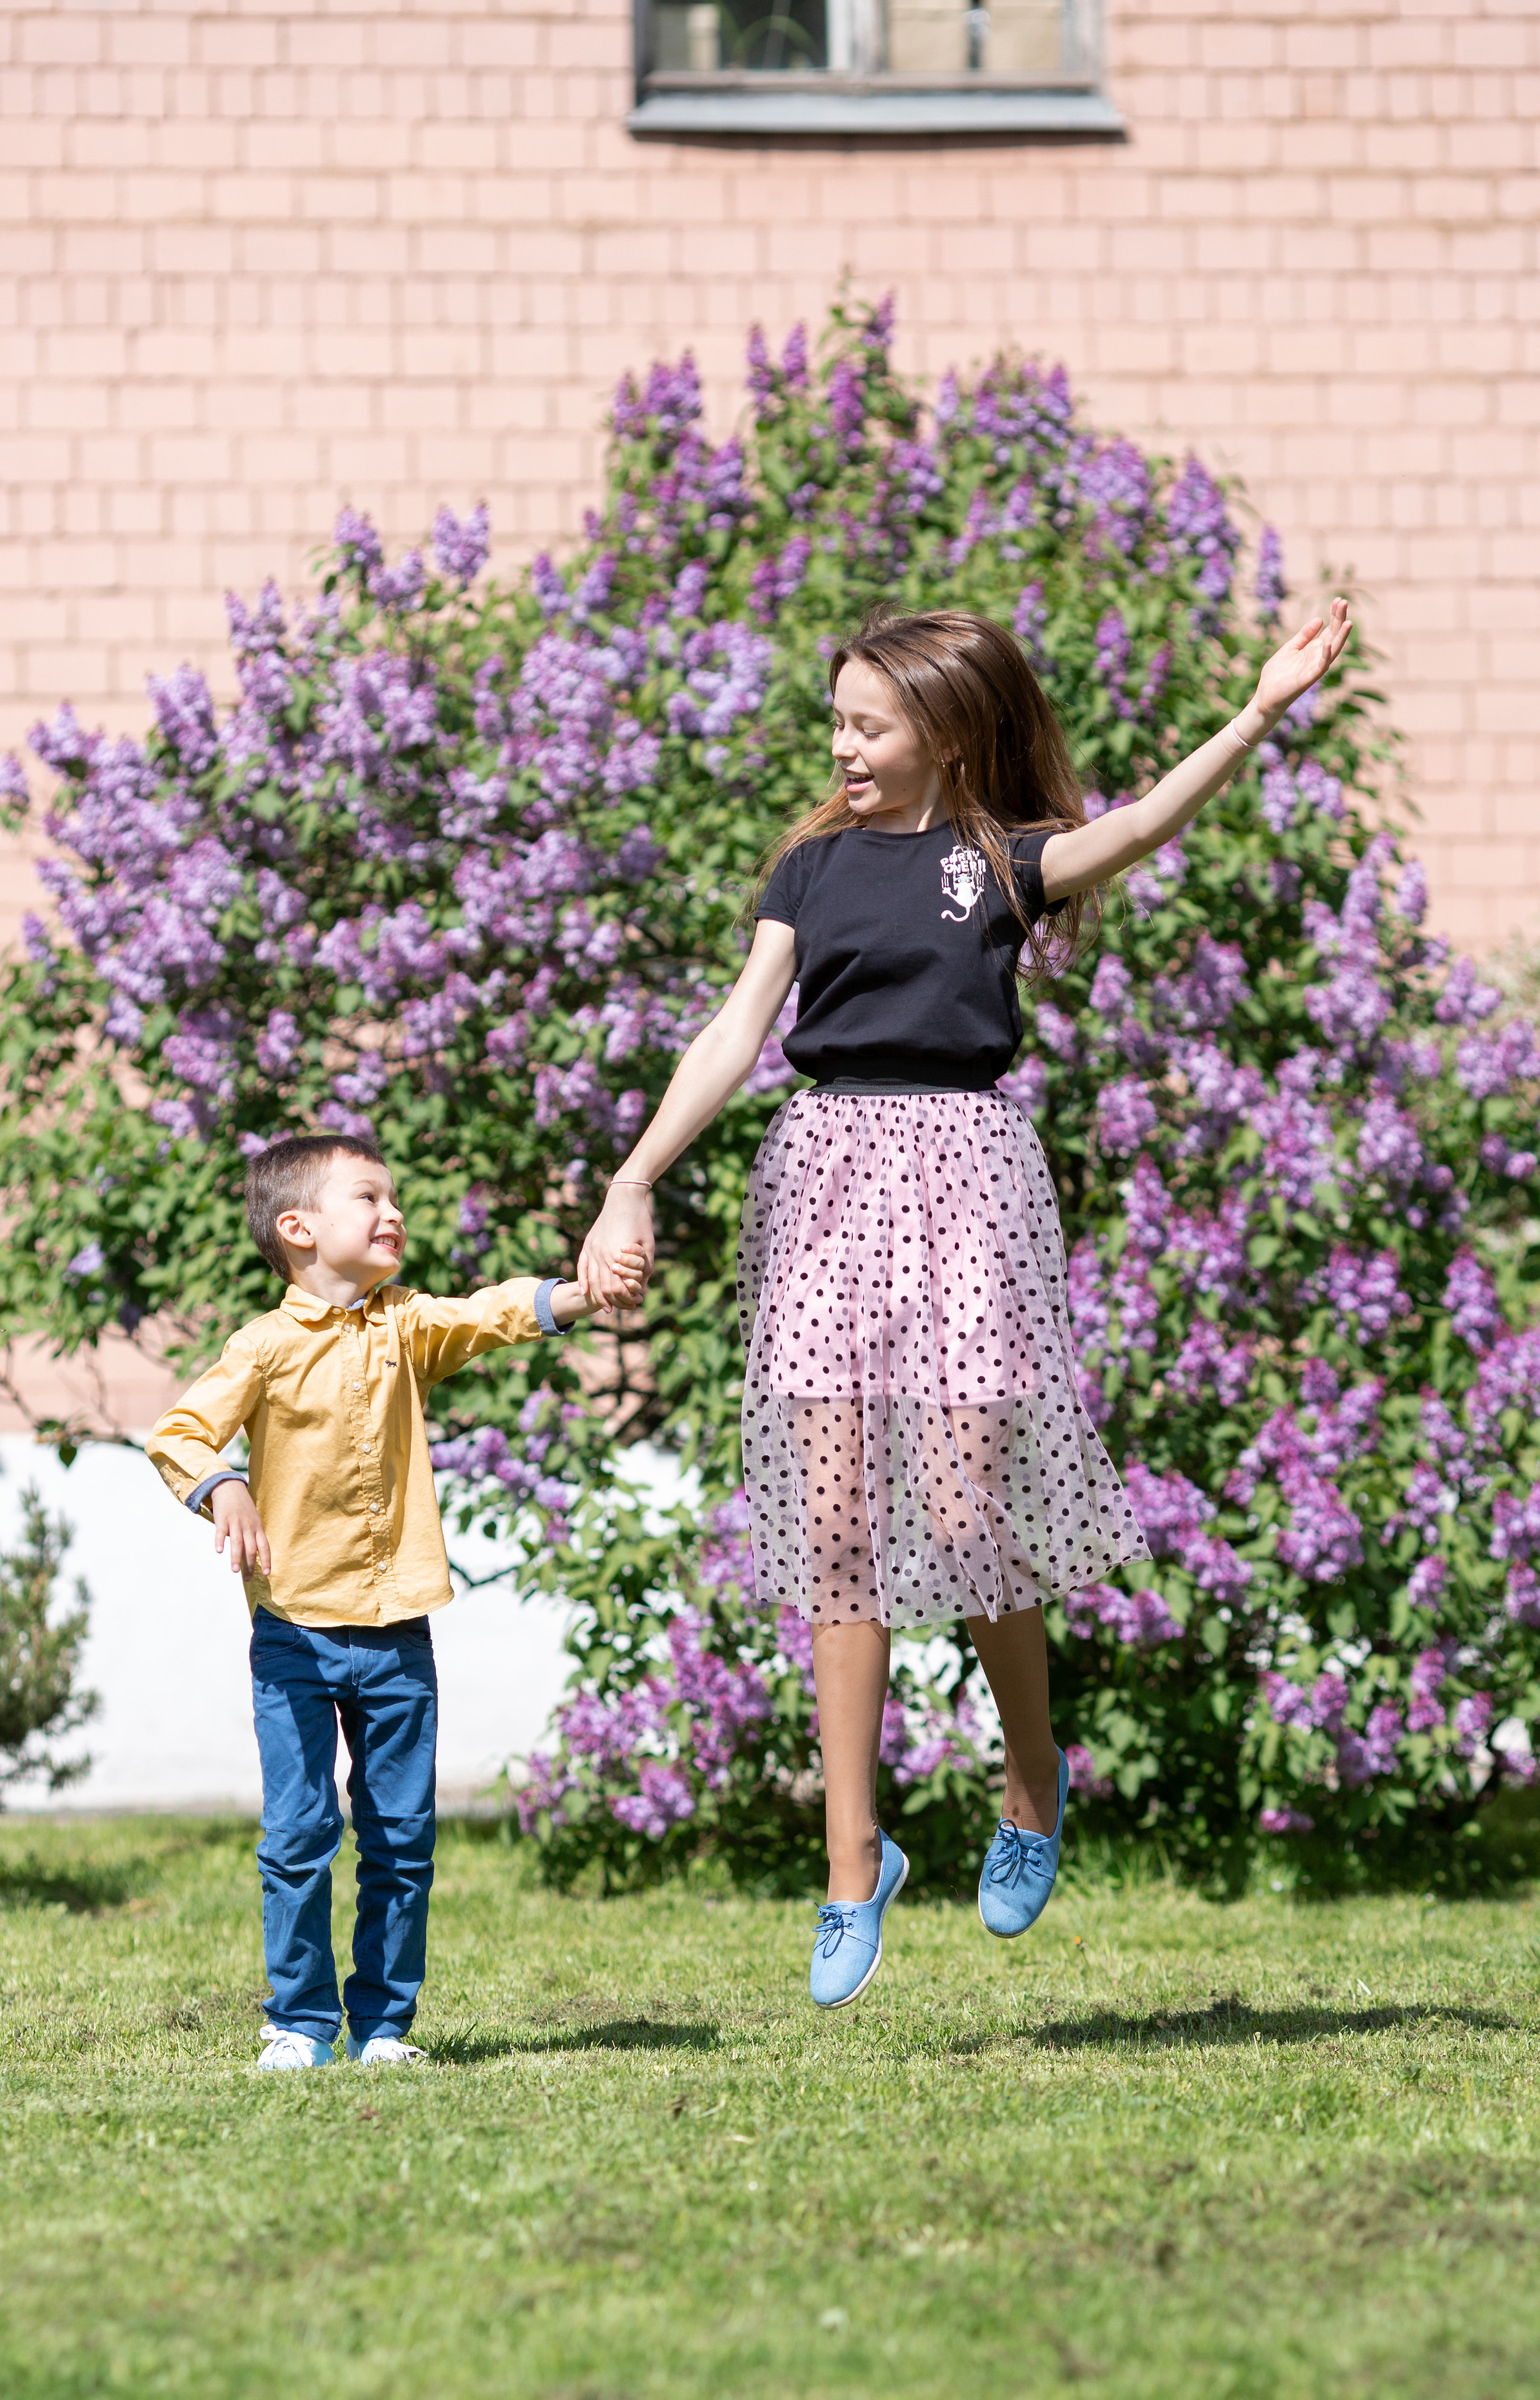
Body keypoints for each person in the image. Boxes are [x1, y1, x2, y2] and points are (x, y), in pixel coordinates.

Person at [577, 598, 1352, 2008]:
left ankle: (1029, 1774)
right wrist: (631, 1181)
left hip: (969, 1175)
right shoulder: (808, 867)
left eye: (867, 724)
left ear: (943, 729)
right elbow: (734, 1030)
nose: (842, 744)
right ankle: (848, 1861)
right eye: (835, 720)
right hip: (823, 1170)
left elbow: (1139, 826)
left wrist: (1255, 710)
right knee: (829, 1520)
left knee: (958, 1508)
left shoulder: (999, 859)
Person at [147, 1134, 645, 2070]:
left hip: (397, 1632)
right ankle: (298, 2022)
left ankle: (382, 2028)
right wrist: (226, 1485)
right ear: (299, 1230)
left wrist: (578, 1293)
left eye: (394, 1198)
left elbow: (488, 1314)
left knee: (400, 1842)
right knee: (298, 1838)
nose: (393, 1214)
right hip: (293, 1628)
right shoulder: (261, 1346)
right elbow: (179, 1430)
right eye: (368, 1198)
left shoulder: (407, 1324)